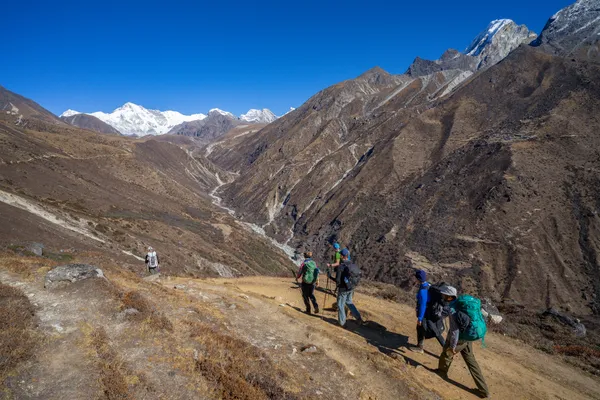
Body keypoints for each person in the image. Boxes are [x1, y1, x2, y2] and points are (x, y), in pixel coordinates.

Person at [436, 285, 489, 399]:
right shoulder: (461, 304)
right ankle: (484, 390)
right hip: (467, 338)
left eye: (444, 295)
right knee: (471, 362)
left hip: (460, 338)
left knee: (447, 353)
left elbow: (454, 331)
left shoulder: (453, 309)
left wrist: (452, 346)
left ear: (450, 297)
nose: (442, 296)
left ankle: (441, 372)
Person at [410, 270, 446, 353]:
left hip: (426, 314)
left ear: (418, 279)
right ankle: (420, 346)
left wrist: (420, 318)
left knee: (432, 331)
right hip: (431, 312)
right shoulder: (428, 285)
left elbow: (422, 305)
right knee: (426, 329)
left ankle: (420, 347)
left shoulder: (423, 291)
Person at [328, 248, 364, 327]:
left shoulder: (341, 267)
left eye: (340, 255)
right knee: (349, 302)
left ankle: (342, 323)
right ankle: (358, 318)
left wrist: (330, 277)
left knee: (340, 305)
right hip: (351, 288)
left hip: (343, 289)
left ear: (342, 256)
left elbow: (337, 280)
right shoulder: (352, 264)